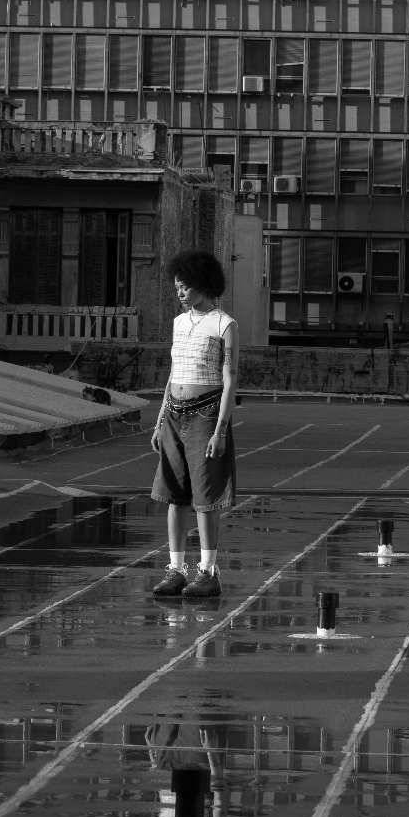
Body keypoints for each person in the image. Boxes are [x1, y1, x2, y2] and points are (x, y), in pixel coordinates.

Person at [149, 249, 237, 598]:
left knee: (206, 497)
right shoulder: (178, 322)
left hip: (206, 415)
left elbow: (230, 379)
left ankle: (208, 572)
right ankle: (175, 570)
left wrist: (220, 431)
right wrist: (159, 421)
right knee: (175, 495)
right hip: (173, 414)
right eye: (177, 287)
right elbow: (173, 375)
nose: (180, 292)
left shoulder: (224, 324)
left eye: (185, 286)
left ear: (203, 284)